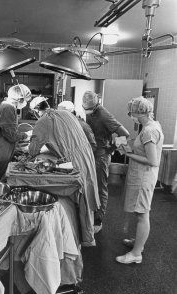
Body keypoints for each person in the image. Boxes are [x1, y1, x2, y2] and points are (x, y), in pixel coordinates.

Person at [29, 99, 100, 246]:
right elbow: (62, 139)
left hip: (75, 160)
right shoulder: (64, 114)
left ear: (36, 112)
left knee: (82, 196)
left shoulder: (43, 121)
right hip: (86, 155)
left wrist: (29, 153)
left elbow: (33, 149)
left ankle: (84, 237)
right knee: (88, 189)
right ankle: (88, 231)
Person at [115, 96, 164, 264]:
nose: (131, 116)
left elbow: (153, 160)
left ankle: (136, 254)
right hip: (141, 175)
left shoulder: (149, 131)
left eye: (131, 113)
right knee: (139, 211)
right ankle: (138, 243)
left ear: (139, 113)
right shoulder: (149, 126)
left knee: (142, 214)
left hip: (144, 177)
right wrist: (128, 146)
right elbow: (144, 151)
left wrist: (128, 153)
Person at [82, 91, 130, 233]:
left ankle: (98, 219)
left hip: (101, 156)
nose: (87, 111)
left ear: (97, 104)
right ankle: (92, 213)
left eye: (90, 109)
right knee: (92, 185)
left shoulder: (103, 114)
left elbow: (125, 134)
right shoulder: (90, 111)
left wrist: (112, 148)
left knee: (100, 186)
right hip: (92, 154)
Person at [0, 84, 32, 181]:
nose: (25, 103)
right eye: (25, 100)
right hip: (1, 147)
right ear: (20, 99)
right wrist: (26, 135)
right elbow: (11, 135)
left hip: (3, 145)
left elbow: (9, 129)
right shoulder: (8, 108)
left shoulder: (8, 105)